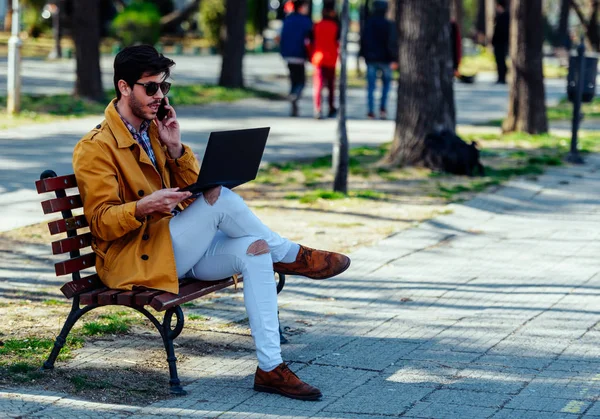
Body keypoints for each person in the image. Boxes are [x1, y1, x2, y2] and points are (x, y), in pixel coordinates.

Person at [72, 45, 351, 401]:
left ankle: (270, 368)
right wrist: (142, 207)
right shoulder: (95, 148)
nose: (160, 96)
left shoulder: (155, 131)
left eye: (164, 87)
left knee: (256, 251)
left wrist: (176, 148)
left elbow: (199, 186)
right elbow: (100, 223)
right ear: (124, 87)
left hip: (173, 248)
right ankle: (295, 255)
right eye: (151, 88)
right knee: (224, 202)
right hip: (135, 256)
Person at [360, 0, 398, 120]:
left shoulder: (368, 24)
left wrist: (363, 55)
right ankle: (382, 109)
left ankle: (371, 110)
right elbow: (392, 43)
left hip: (372, 59)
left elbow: (363, 41)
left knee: (371, 86)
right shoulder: (389, 24)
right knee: (386, 86)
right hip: (385, 59)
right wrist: (394, 58)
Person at [279, 0, 313, 117]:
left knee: (293, 79)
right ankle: (295, 95)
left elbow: (281, 37)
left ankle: (293, 101)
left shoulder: (287, 20)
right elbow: (310, 40)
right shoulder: (306, 21)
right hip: (300, 55)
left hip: (288, 55)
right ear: (301, 7)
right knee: (301, 81)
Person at [310, 4, 340, 120]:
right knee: (331, 86)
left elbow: (310, 41)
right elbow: (338, 42)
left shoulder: (316, 25)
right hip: (331, 59)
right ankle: (331, 107)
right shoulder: (335, 26)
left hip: (319, 59)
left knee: (319, 85)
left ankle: (318, 108)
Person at [492, 0, 509, 84]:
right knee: (499, 60)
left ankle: (502, 77)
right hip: (498, 42)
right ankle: (500, 77)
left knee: (501, 60)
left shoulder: (505, 17)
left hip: (501, 42)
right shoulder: (499, 16)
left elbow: (501, 31)